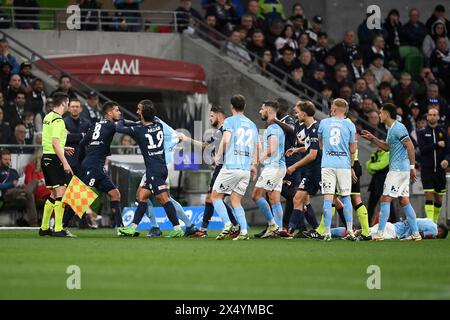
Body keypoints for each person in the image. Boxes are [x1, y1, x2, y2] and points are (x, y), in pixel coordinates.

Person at [127, 100, 200, 238]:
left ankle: (165, 226)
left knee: (160, 198)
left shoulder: (155, 123)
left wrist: (176, 139)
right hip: (160, 164)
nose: (137, 112)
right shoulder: (152, 122)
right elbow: (175, 136)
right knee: (149, 196)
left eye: (139, 109)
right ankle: (186, 226)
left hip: (159, 165)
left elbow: (174, 135)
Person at [116, 102, 185, 238]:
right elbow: (144, 124)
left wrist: (122, 119)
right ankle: (133, 227)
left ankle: (177, 228)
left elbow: (119, 128)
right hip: (159, 167)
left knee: (164, 199)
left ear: (142, 115)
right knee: (142, 196)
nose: (137, 112)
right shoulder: (158, 125)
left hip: (154, 170)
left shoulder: (139, 130)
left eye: (139, 111)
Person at [361, 103, 422, 241]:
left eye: (381, 113)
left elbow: (410, 146)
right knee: (404, 200)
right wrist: (373, 139)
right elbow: (387, 147)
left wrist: (412, 168)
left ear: (387, 114)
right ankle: (415, 234)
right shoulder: (392, 129)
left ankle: (380, 233)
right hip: (401, 170)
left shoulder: (398, 128)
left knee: (385, 198)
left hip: (398, 170)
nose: (379, 115)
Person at [211, 94, 259, 240]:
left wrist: (218, 157)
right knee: (235, 200)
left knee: (215, 196)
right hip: (245, 169)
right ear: (244, 107)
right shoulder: (252, 124)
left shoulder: (229, 121)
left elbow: (225, 141)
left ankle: (227, 225)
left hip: (231, 166)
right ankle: (244, 231)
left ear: (231, 107)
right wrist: (254, 165)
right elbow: (258, 146)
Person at [187, 106, 239, 238]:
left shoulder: (226, 128)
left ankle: (234, 225)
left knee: (214, 197)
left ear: (219, 116)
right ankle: (205, 229)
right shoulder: (219, 132)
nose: (210, 119)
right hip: (221, 167)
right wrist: (186, 139)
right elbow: (206, 145)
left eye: (211, 116)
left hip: (226, 168)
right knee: (212, 198)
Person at [77, 101, 124, 234]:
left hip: (95, 165)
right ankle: (61, 225)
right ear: (109, 113)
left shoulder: (95, 124)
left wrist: (91, 153)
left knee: (115, 194)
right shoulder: (111, 125)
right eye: (117, 110)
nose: (119, 112)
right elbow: (125, 127)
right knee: (79, 197)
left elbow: (82, 143)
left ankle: (120, 228)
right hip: (93, 165)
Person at [317, 98, 358, 241]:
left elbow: (320, 144)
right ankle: (351, 231)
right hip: (344, 166)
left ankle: (327, 232)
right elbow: (353, 148)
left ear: (334, 110)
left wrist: (329, 152)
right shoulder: (350, 125)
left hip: (328, 164)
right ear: (345, 111)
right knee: (346, 198)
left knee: (328, 198)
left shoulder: (323, 122)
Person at [39, 92, 74, 237]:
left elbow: (49, 140)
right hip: (54, 159)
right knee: (61, 193)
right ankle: (58, 229)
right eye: (69, 104)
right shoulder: (59, 120)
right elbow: (54, 143)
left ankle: (44, 227)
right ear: (64, 103)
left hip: (46, 157)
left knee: (53, 194)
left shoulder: (48, 117)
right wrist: (65, 162)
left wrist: (63, 147)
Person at [284, 100, 320, 238]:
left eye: (298, 111)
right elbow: (308, 146)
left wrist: (293, 166)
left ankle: (347, 229)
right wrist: (296, 149)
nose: (295, 113)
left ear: (304, 113)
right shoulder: (307, 126)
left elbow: (312, 154)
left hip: (318, 170)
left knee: (334, 201)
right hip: (309, 170)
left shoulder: (315, 128)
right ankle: (292, 230)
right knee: (299, 199)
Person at [251, 100, 285, 239]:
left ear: (269, 111)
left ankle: (272, 225)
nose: (260, 111)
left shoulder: (273, 128)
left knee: (256, 195)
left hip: (273, 167)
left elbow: (272, 149)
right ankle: (279, 229)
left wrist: (256, 163)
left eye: (262, 108)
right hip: (278, 167)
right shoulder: (275, 127)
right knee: (274, 199)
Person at [417, 108, 448, 223]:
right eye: (430, 115)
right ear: (427, 117)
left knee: (439, 198)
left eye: (435, 115)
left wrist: (446, 160)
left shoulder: (443, 131)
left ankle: (434, 222)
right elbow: (422, 149)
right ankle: (430, 223)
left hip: (440, 170)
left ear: (438, 117)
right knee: (429, 193)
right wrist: (436, 144)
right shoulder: (422, 132)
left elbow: (448, 150)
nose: (432, 117)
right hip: (427, 169)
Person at [0, 149, 38, 227]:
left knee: (34, 181)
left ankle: (25, 192)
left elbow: (19, 182)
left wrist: (22, 185)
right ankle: (33, 223)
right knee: (29, 194)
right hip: (7, 193)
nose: (8, 161)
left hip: (19, 191)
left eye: (9, 159)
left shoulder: (13, 171)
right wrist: (11, 184)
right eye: (5, 159)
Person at [334, 218, 448, 240]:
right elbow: (421, 235)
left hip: (391, 226)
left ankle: (335, 232)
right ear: (439, 230)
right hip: (392, 232)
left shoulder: (429, 220)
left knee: (364, 231)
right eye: (439, 234)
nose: (436, 235)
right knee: (366, 236)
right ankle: (348, 235)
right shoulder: (433, 230)